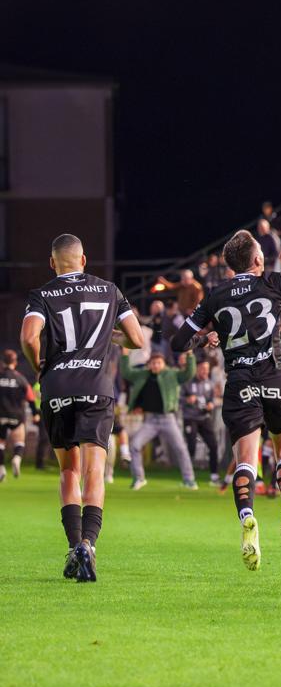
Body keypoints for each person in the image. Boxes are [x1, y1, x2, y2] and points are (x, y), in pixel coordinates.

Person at [170, 230, 281, 571]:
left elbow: (177, 342)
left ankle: (247, 516)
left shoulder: (215, 296)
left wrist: (205, 339)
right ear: (258, 260)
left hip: (240, 381)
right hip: (275, 375)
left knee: (245, 459)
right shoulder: (273, 282)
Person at [20, 233, 145, 582]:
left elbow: (29, 338)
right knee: (94, 469)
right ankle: (89, 544)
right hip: (96, 385)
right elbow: (137, 339)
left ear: (52, 263)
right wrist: (110, 337)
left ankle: (75, 546)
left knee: (68, 470)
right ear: (83, 260)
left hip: (58, 386)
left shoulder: (42, 294)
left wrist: (38, 366)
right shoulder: (109, 290)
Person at [121, 350, 200, 490]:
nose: (156, 365)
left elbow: (189, 374)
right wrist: (125, 355)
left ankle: (189, 480)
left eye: (159, 363)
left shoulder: (172, 374)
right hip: (150, 420)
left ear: (164, 364)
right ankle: (138, 478)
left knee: (181, 448)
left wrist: (190, 356)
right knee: (134, 445)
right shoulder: (142, 375)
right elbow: (126, 373)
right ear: (149, 364)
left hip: (168, 419)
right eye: (153, 363)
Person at [182, 358, 221, 485]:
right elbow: (179, 399)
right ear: (196, 369)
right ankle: (188, 475)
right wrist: (187, 400)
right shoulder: (187, 382)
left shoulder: (209, 383)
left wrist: (211, 404)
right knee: (191, 446)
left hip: (204, 418)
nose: (205, 371)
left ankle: (214, 476)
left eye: (207, 369)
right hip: (190, 417)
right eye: (203, 369)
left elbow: (211, 400)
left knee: (213, 445)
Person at [0, 349, 34, 482]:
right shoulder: (20, 378)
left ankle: (1, 469)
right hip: (17, 415)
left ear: (3, 362)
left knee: (1, 443)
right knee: (19, 440)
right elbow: (30, 397)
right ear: (15, 362)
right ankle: (16, 458)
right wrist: (35, 413)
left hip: (1, 414)